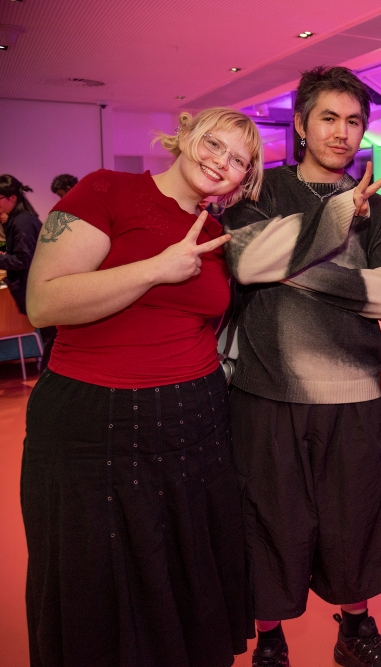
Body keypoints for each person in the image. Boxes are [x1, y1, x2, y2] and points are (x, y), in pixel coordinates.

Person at [21, 107, 263, 667]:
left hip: (194, 417)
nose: (222, 163)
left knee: (183, 567)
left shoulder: (219, 233)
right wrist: (155, 268)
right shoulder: (106, 189)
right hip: (91, 418)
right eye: (215, 145)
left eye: (239, 162)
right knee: (96, 575)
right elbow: (44, 301)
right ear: (184, 137)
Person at [221, 65, 381, 667]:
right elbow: (247, 263)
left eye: (355, 121)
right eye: (329, 118)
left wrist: (292, 262)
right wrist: (330, 248)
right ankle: (271, 637)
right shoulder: (260, 191)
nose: (343, 131)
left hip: (354, 391)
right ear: (303, 126)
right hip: (265, 389)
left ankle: (355, 629)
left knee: (355, 520)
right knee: (268, 520)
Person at [0, 175, 42, 314]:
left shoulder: (22, 222)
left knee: (48, 333)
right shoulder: (21, 219)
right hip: (32, 288)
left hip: (32, 289)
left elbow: (23, 260)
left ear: (12, 198)